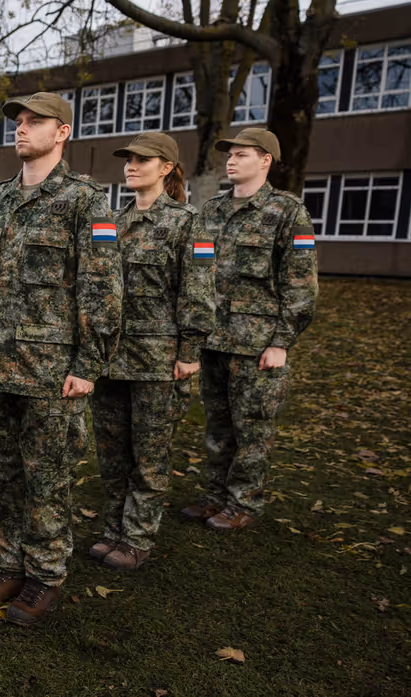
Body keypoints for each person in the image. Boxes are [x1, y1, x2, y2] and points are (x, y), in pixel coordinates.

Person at [0, 92, 122, 627]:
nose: (22, 129)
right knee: (2, 472)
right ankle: (9, 563)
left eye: (35, 121)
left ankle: (46, 574)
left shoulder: (85, 200)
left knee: (47, 476)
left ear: (63, 132)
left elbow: (102, 287)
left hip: (50, 370)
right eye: (19, 122)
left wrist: (89, 364)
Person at [88, 133, 216, 571]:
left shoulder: (187, 222)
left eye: (143, 159)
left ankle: (137, 538)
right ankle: (114, 530)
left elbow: (197, 292)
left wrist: (190, 350)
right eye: (129, 159)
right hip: (110, 357)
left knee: (149, 455)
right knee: (111, 453)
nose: (131, 165)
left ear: (166, 168)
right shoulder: (112, 221)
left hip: (157, 361)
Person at [184, 128, 318, 532]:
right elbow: (199, 273)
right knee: (217, 426)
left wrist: (281, 342)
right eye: (230, 154)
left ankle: (243, 502)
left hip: (257, 344)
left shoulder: (288, 212)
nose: (231, 160)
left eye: (242, 154)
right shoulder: (211, 210)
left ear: (265, 160)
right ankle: (214, 496)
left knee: (253, 429)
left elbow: (301, 284)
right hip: (214, 339)